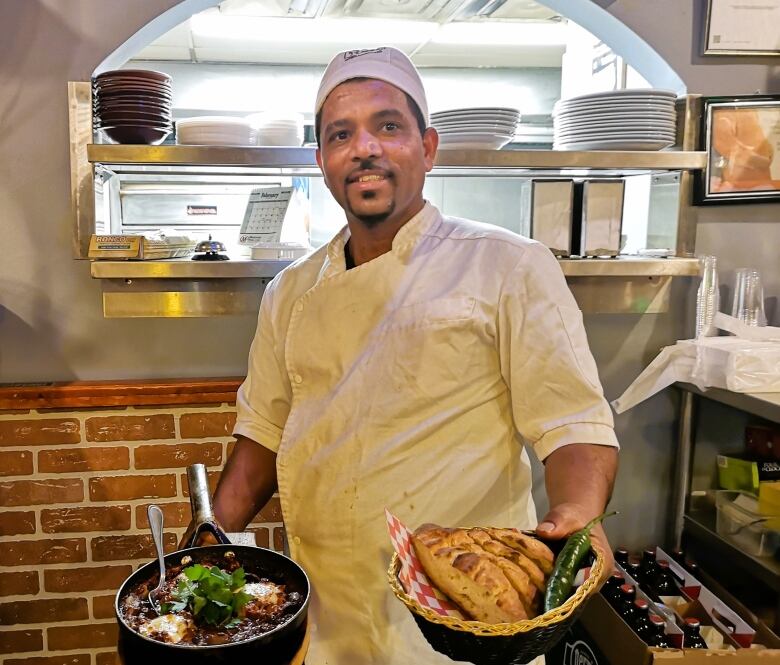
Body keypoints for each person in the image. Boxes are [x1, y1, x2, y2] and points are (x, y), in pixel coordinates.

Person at [212, 46, 619, 665]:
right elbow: (263, 429)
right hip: (326, 608)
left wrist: (576, 516)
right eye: (341, 134)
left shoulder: (507, 265)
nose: (365, 147)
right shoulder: (289, 290)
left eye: (389, 127)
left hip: (460, 616)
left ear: (428, 148)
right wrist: (208, 545)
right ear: (321, 160)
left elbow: (573, 423)